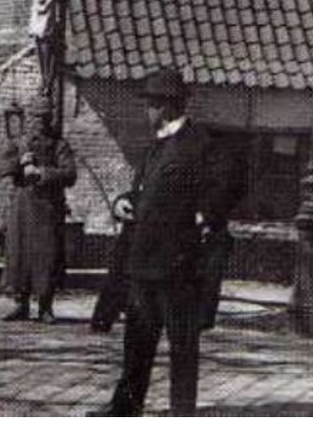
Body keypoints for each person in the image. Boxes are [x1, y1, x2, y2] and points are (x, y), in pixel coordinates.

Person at [89, 67, 242, 417]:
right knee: (137, 340)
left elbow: (228, 185)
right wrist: (123, 202)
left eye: (151, 105)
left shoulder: (200, 143)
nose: (147, 112)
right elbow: (145, 191)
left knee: (182, 344)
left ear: (168, 106)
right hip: (143, 260)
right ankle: (125, 408)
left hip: (179, 263)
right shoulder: (155, 147)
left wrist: (204, 216)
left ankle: (182, 412)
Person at [0, 94, 76, 323]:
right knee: (19, 255)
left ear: (49, 119)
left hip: (48, 209)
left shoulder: (59, 144)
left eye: (44, 118)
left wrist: (43, 172)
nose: (39, 122)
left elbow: (70, 174)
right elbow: (1, 168)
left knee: (47, 257)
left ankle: (45, 307)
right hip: (22, 207)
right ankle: (20, 304)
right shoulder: (19, 143)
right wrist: (20, 163)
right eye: (35, 117)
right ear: (29, 118)